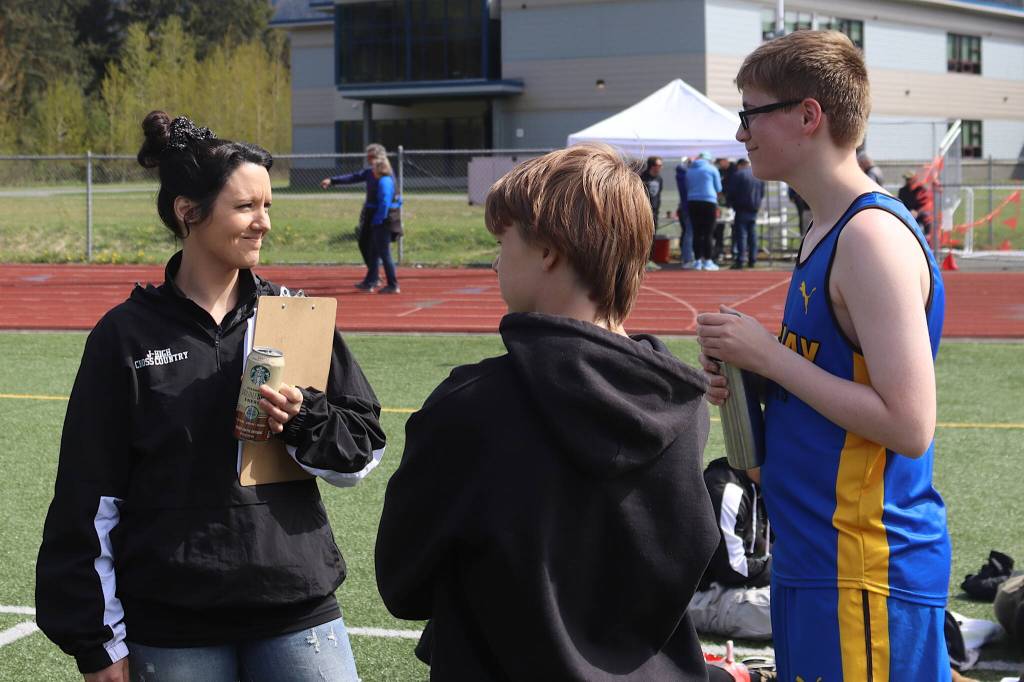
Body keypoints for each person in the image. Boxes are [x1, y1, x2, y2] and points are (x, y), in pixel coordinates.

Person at [36, 112, 387, 682]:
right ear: (188, 211)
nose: (263, 223)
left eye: (268, 206)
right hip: (174, 624)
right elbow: (88, 494)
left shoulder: (294, 313)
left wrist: (305, 419)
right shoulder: (125, 335)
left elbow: (363, 455)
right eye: (246, 207)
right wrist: (96, 641)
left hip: (296, 609)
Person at [375, 143, 719, 680]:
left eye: (502, 238)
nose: (495, 258)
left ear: (549, 250)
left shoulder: (472, 405)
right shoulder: (683, 403)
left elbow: (403, 582)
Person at [696, 30, 951, 682]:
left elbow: (908, 423)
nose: (740, 133)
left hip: (864, 569)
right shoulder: (825, 228)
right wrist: (754, 375)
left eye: (751, 113)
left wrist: (774, 360)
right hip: (819, 556)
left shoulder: (869, 238)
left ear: (809, 115)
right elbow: (835, 381)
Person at [688, 457, 773, 641]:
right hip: (699, 595)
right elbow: (732, 569)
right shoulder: (728, 490)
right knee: (793, 610)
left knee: (811, 595)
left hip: (734, 586)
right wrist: (785, 568)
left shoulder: (761, 487)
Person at [319, 143, 387, 290]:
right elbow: (353, 177)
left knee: (375, 248)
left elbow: (390, 195)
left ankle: (374, 279)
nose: (369, 159)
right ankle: (374, 275)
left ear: (378, 157)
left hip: (379, 214)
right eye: (368, 156)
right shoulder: (370, 172)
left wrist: (384, 215)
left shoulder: (385, 174)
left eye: (371, 156)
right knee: (363, 243)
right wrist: (333, 181)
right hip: (369, 212)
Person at [363, 156, 402, 294]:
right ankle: (371, 281)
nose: (372, 170)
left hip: (384, 223)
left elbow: (385, 202)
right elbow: (399, 200)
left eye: (374, 167)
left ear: (380, 168)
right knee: (374, 252)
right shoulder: (388, 180)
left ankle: (393, 284)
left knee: (385, 254)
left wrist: (378, 219)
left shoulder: (384, 182)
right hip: (386, 221)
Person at [686, 150, 723, 271]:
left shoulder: (690, 170)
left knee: (697, 232)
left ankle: (697, 261)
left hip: (692, 201)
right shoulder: (712, 169)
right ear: (709, 159)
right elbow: (718, 188)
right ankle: (707, 260)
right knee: (708, 233)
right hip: (709, 202)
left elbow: (687, 186)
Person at [725, 158, 765, 268]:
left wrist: (730, 203)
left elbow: (732, 192)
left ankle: (741, 259)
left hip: (741, 208)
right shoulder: (758, 175)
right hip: (754, 208)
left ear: (740, 165)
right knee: (752, 235)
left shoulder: (738, 175)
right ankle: (753, 259)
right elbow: (762, 193)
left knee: (741, 235)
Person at [675, 156, 697, 268]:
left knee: (687, 233)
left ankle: (686, 257)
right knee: (689, 233)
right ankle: (688, 258)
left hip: (685, 207)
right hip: (689, 207)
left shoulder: (681, 175)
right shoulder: (685, 175)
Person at [898, 171, 933, 237]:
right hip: (907, 213)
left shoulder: (921, 189)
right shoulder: (902, 191)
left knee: (927, 216)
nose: (907, 181)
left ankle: (927, 237)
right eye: (906, 179)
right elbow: (900, 204)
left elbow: (926, 204)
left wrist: (917, 212)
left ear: (914, 179)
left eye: (909, 179)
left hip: (920, 213)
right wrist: (907, 212)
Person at [640, 155, 664, 228]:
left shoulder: (659, 179)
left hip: (654, 212)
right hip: (642, 211)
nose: (661, 167)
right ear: (652, 166)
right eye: (659, 165)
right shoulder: (642, 177)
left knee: (653, 235)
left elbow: (658, 195)